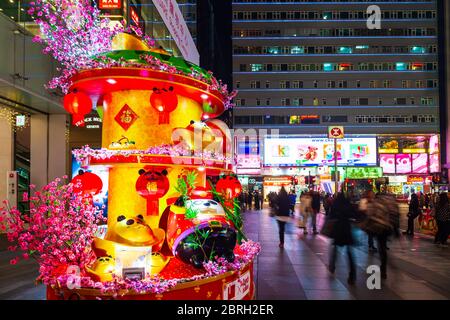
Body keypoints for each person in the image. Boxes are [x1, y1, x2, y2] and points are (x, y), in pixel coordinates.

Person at [328, 192, 357, 284]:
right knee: (349, 252)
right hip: (346, 230)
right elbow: (354, 215)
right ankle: (352, 273)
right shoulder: (347, 204)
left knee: (335, 249)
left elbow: (330, 216)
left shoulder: (335, 205)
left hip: (337, 230)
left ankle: (332, 266)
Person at [365, 194, 395, 279]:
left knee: (380, 247)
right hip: (385, 228)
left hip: (378, 228)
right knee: (383, 247)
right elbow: (390, 217)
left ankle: (383, 266)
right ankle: (384, 268)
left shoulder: (373, 205)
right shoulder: (386, 206)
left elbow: (369, 216)